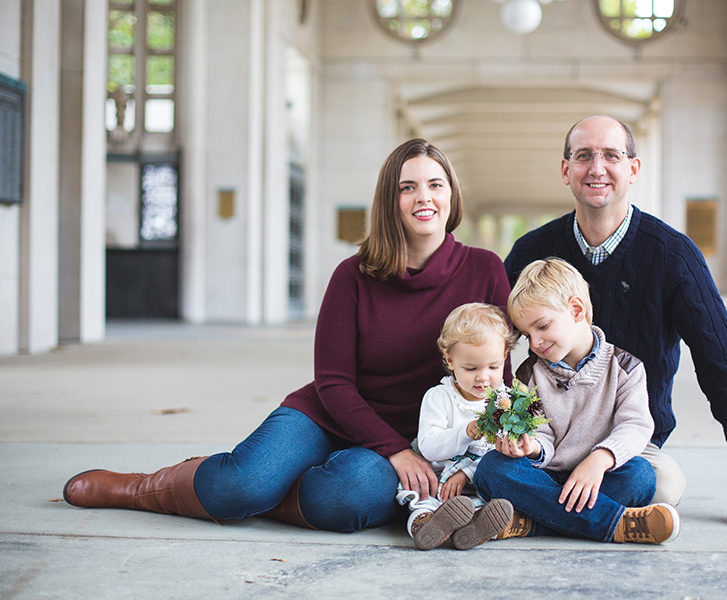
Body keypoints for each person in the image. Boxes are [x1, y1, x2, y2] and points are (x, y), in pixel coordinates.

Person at [62, 138, 512, 534]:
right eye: (407, 187)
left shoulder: (484, 269)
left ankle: (264, 494)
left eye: (436, 184)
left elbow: (501, 379)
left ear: (452, 195)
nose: (424, 197)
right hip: (329, 416)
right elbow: (333, 381)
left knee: (346, 497)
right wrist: (392, 449)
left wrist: (469, 458)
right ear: (389, 199)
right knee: (240, 485)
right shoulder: (354, 274)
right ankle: (141, 488)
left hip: (420, 438)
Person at [503, 115, 727, 528]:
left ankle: (531, 515)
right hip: (545, 443)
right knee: (498, 469)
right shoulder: (533, 252)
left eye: (611, 156)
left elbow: (723, 367)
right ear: (566, 170)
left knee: (663, 485)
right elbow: (491, 340)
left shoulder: (674, 256)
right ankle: (601, 522)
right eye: (583, 156)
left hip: (628, 446)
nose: (597, 168)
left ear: (633, 168)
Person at [474, 258, 679, 544]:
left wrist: (600, 459)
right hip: (544, 477)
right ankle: (617, 524)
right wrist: (531, 447)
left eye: (542, 326)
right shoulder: (529, 373)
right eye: (527, 335)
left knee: (640, 476)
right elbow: (540, 432)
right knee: (492, 469)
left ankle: (530, 523)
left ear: (576, 310)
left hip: (601, 476)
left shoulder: (625, 367)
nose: (535, 343)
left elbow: (635, 425)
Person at [397, 302, 518, 550]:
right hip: (437, 481)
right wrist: (464, 433)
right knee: (422, 503)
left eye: (494, 367)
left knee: (485, 505)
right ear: (450, 361)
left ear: (505, 356)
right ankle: (426, 527)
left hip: (477, 486)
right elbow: (429, 447)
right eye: (471, 368)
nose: (483, 377)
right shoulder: (439, 397)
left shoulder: (506, 402)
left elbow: (499, 452)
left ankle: (472, 530)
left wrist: (467, 473)